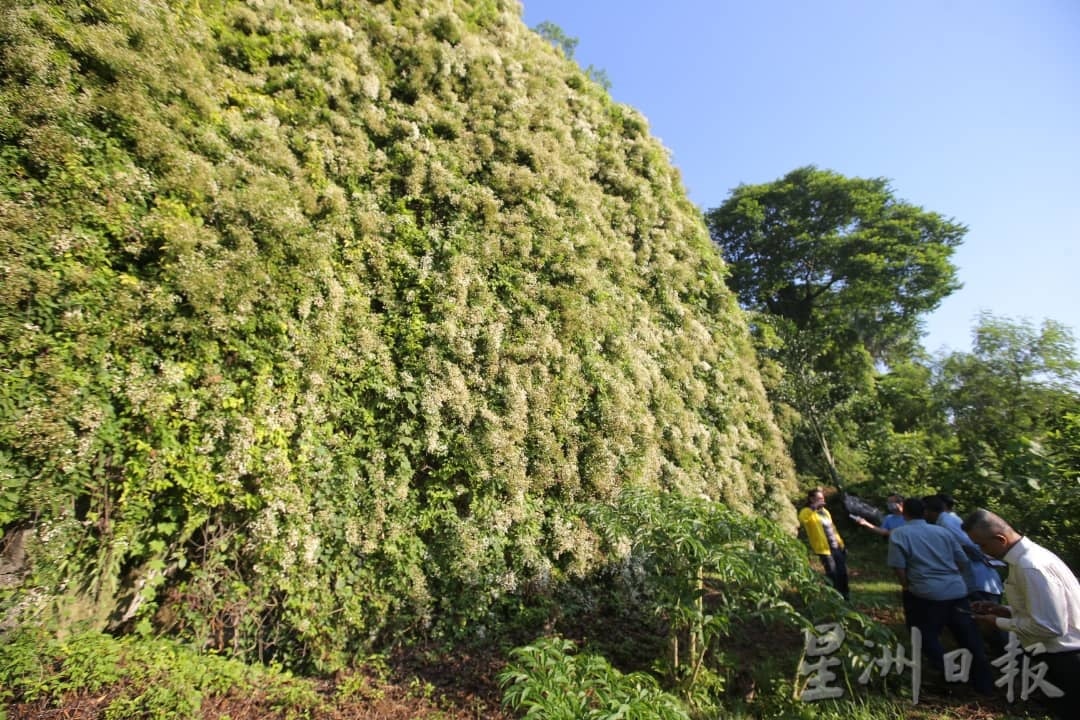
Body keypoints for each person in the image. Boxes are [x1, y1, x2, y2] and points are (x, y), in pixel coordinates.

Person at [963, 509, 1080, 718]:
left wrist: (998, 622)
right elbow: (1046, 610)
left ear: (1000, 539)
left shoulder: (1030, 566)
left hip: (1066, 660)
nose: (982, 551)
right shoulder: (1030, 558)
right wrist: (1006, 611)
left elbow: (1050, 626)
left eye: (982, 545)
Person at [887, 498, 993, 694]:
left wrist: (907, 586)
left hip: (925, 595)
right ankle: (984, 682)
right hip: (956, 591)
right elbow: (963, 561)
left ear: (904, 513)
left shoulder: (899, 534)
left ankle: (950, 676)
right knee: (969, 637)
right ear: (924, 512)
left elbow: (899, 567)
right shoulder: (942, 532)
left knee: (925, 637)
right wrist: (967, 586)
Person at [924, 495, 1003, 603]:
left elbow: (967, 544)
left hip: (978, 581)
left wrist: (985, 559)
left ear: (928, 511)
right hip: (973, 580)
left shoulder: (947, 522)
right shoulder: (945, 521)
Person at [798, 488, 849, 600]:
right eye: (819, 498)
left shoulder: (825, 512)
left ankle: (845, 595)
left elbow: (832, 529)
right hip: (824, 548)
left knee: (842, 572)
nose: (822, 500)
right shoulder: (806, 511)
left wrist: (841, 543)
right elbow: (802, 520)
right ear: (811, 499)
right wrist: (813, 508)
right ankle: (834, 597)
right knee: (832, 573)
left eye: (823, 498)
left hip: (836, 546)